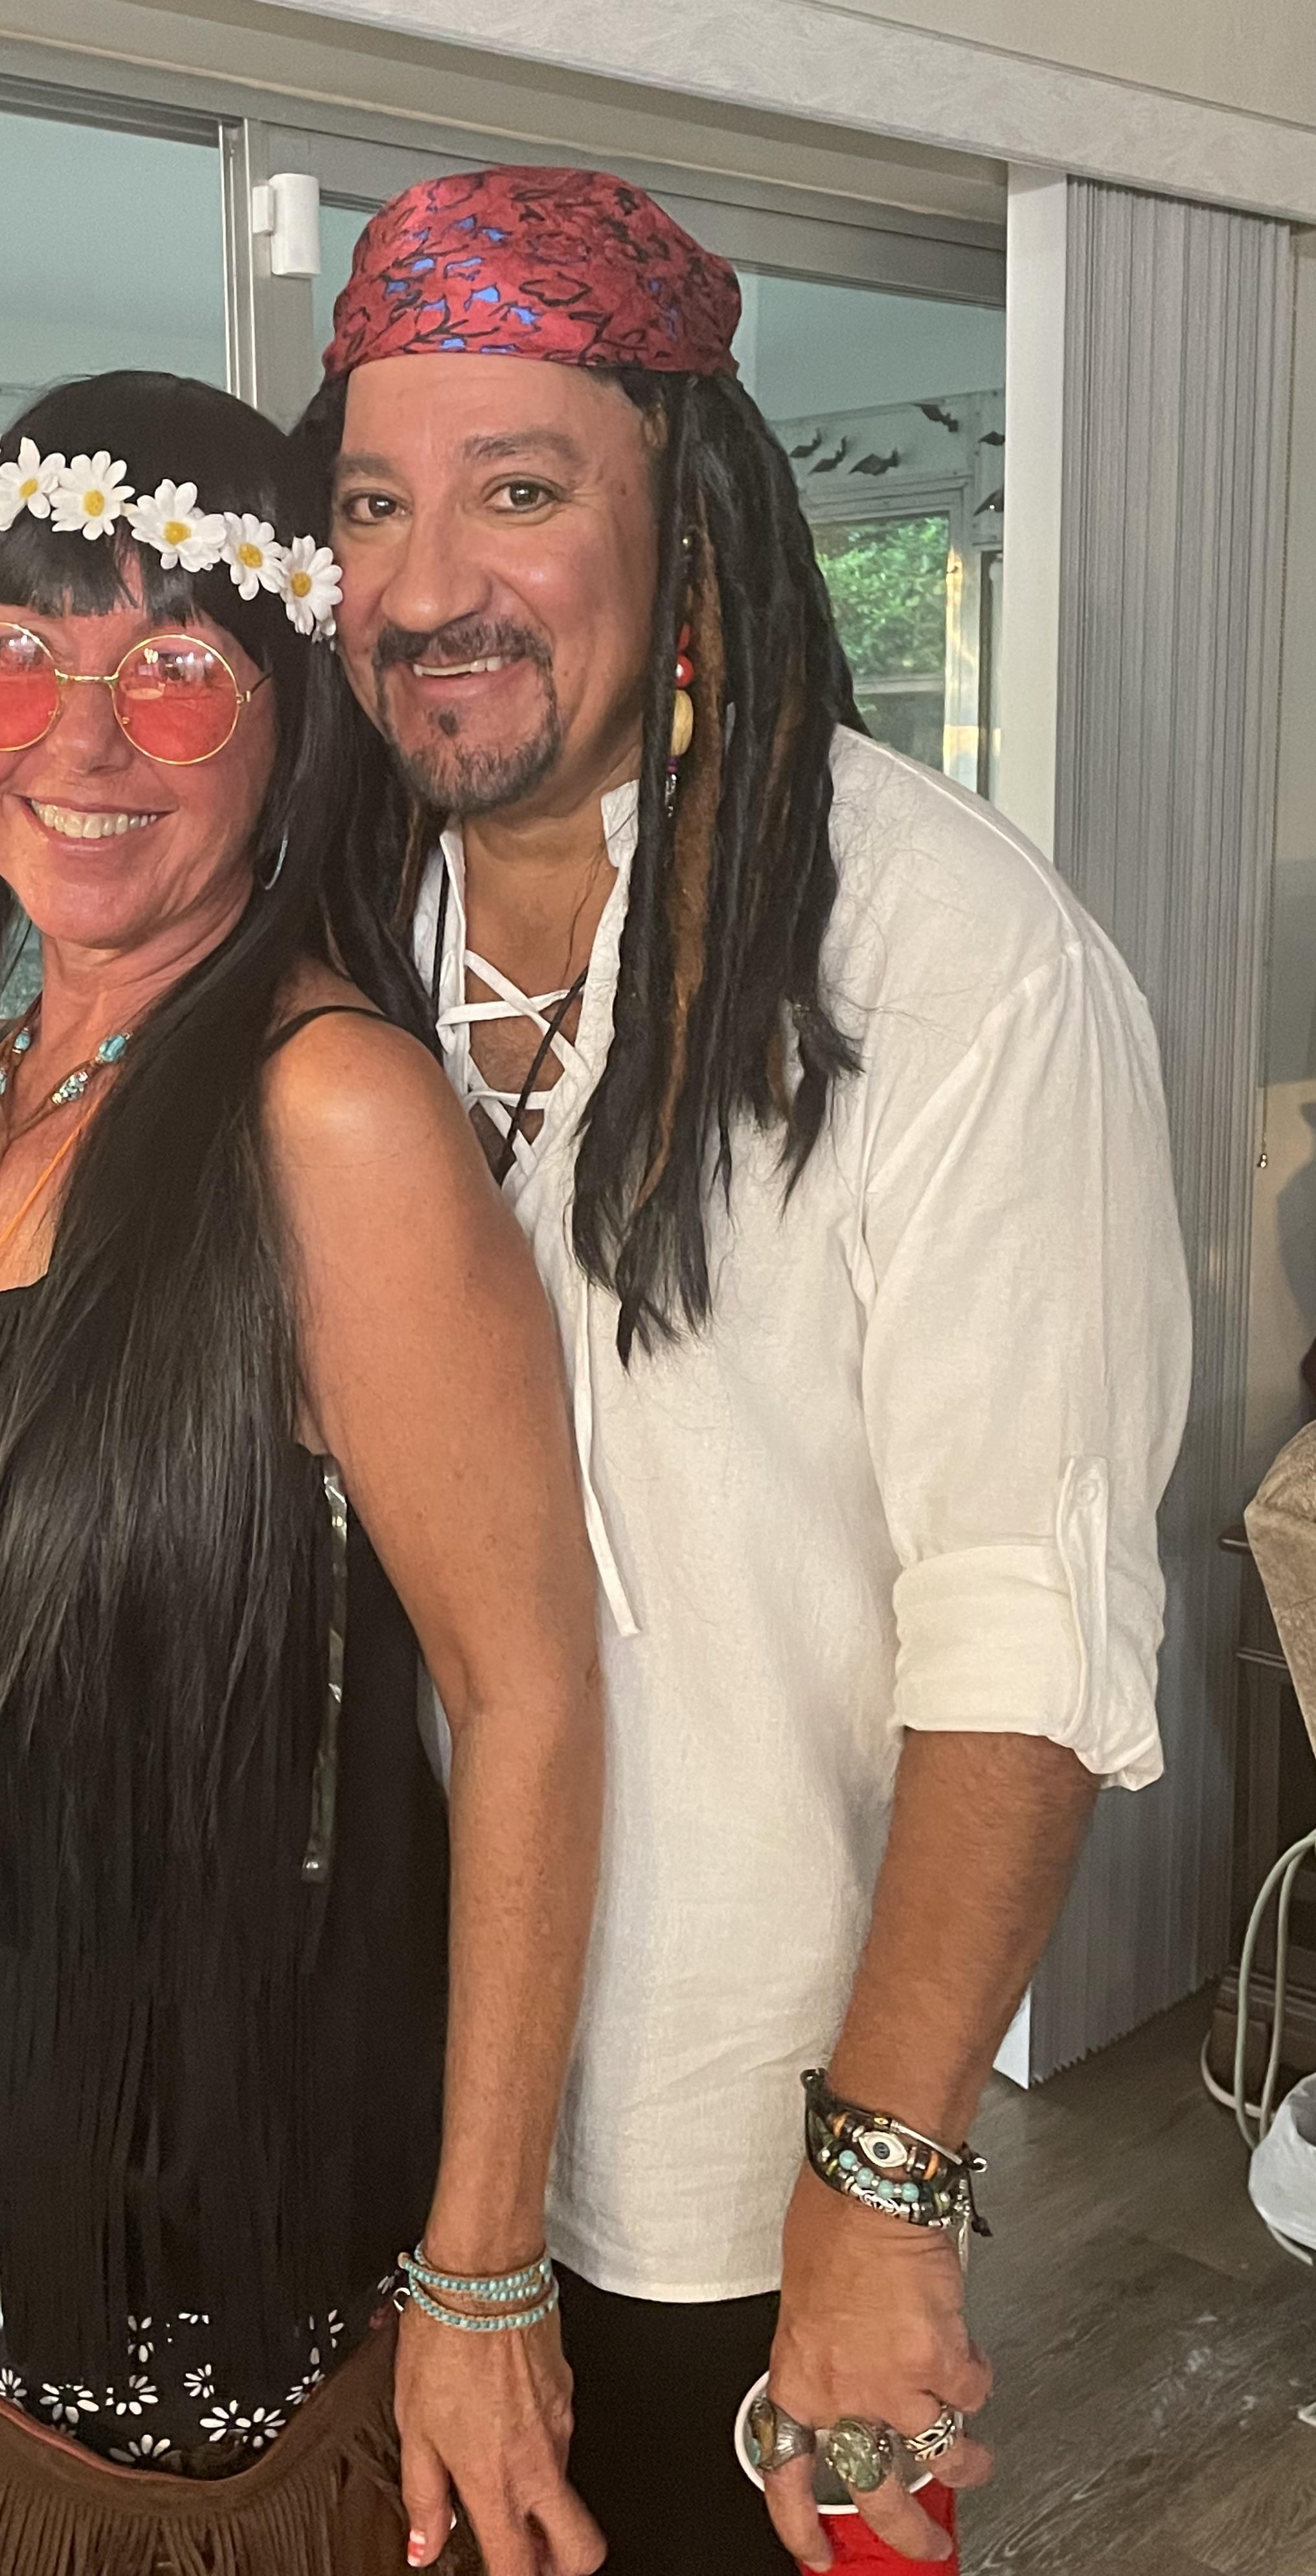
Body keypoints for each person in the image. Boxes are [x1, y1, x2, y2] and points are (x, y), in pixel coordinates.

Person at [297, 167, 1192, 2573]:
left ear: (685, 521)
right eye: (372, 503)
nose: (424, 581)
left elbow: (1020, 1611)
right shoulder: (338, 930)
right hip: (363, 2108)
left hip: (725, 2148)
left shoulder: (952, 964)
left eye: (517, 491)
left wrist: (880, 2189)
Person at [0, 368, 608, 2575]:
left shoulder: (326, 1115)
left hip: (215, 2298)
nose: (80, 738)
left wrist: (483, 2278)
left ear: (289, 724)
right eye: (16, 656)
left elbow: (529, 1696)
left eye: (175, 670)